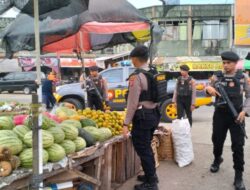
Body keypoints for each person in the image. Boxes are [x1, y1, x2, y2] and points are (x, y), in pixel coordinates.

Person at [206, 51, 250, 190]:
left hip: (237, 116)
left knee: (238, 146)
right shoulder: (217, 76)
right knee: (217, 141)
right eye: (224, 63)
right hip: (220, 115)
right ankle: (217, 159)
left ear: (235, 63)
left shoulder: (243, 77)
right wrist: (209, 89)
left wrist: (244, 111)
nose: (225, 65)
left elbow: (249, 96)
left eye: (228, 63)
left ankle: (238, 176)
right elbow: (207, 87)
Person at [123, 45, 161, 190]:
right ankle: (151, 175)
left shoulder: (136, 76)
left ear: (135, 59)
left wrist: (125, 123)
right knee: (147, 147)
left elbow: (132, 103)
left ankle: (151, 183)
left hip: (143, 118)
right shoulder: (153, 72)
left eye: (132, 59)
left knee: (143, 149)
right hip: (154, 115)